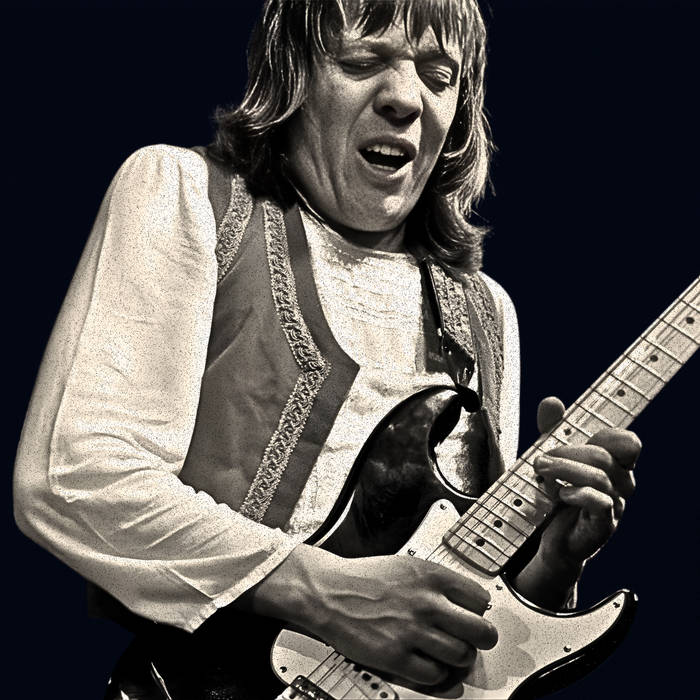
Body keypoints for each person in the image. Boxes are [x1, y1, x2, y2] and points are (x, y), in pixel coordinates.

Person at [13, 0, 641, 697]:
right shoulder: (186, 194)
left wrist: (550, 567)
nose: (406, 98)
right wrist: (325, 593)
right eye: (363, 60)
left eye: (439, 76)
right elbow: (77, 477)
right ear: (294, 77)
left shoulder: (486, 313)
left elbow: (459, 631)